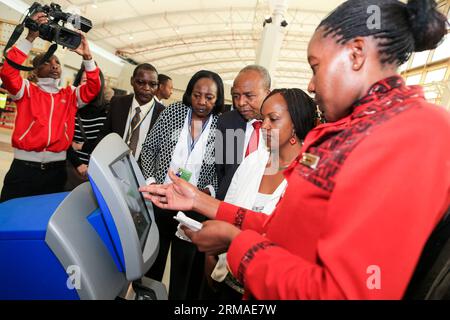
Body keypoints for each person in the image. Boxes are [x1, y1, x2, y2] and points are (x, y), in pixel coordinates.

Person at [140, 0, 450, 299]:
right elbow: (279, 229)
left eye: (316, 67)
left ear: (356, 53)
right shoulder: (354, 127)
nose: (312, 85)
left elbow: (349, 292)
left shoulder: (410, 132)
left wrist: (236, 243)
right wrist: (198, 200)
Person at [210, 88, 318, 299]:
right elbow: (229, 208)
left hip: (268, 289)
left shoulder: (310, 173)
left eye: (273, 119)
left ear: (295, 123)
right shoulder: (253, 161)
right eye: (263, 119)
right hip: (227, 276)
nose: (264, 126)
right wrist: (212, 255)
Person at [140, 70, 225, 300]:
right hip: (160, 200)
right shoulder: (174, 112)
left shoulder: (222, 125)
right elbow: (149, 149)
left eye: (209, 97)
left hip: (193, 209)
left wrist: (208, 191)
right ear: (189, 93)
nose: (202, 102)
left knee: (184, 270)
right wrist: (151, 181)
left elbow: (223, 169)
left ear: (218, 99)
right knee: (152, 262)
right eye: (197, 95)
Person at [0, 12, 101, 202]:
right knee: (6, 220)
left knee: (43, 226)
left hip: (56, 172)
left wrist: (87, 56)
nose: (54, 65)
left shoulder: (70, 94)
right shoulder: (26, 91)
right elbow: (8, 72)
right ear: (36, 70)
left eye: (57, 62)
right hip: (23, 169)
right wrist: (30, 38)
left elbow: (94, 87)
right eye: (47, 62)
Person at [86, 64, 165, 165]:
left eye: (152, 84)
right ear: (132, 81)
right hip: (112, 166)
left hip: (143, 175)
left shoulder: (163, 114)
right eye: (140, 82)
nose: (146, 88)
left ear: (157, 86)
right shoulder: (117, 103)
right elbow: (104, 134)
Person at [215, 65, 271, 201]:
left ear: (267, 94)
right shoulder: (226, 122)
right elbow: (221, 169)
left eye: (249, 96)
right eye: (236, 96)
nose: (240, 102)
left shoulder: (281, 126)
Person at [65, 64, 108, 191]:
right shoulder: (70, 107)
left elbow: (104, 144)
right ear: (77, 83)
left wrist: (80, 146)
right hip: (71, 170)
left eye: (92, 81)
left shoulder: (107, 110)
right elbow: (63, 139)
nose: (88, 84)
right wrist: (78, 164)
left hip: (97, 173)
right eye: (84, 80)